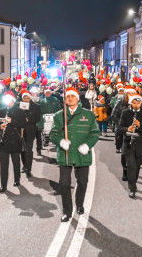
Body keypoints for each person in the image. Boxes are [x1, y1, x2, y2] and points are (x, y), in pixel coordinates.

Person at [50, 87, 100, 222]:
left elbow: (95, 133)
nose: (70, 98)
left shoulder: (88, 115)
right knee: (64, 184)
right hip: (65, 155)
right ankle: (67, 211)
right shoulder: (59, 115)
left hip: (82, 155)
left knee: (82, 182)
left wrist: (87, 145)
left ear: (78, 98)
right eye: (68, 96)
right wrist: (60, 141)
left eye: (73, 96)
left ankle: (79, 204)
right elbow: (53, 134)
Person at [118, 94, 142, 198]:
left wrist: (140, 126)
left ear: (141, 103)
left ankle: (134, 182)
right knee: (131, 166)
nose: (136, 105)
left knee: (137, 166)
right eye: (134, 103)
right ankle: (132, 187)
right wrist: (126, 129)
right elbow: (119, 128)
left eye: (138, 103)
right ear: (130, 103)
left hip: (140, 144)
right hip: (128, 144)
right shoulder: (125, 112)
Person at [0, 91, 27, 193]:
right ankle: (3, 185)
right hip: (4, 141)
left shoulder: (19, 111)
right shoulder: (1, 110)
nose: (8, 102)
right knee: (3, 165)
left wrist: (12, 122)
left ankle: (17, 179)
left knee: (16, 162)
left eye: (9, 100)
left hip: (15, 140)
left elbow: (23, 124)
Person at [19, 89, 41, 178]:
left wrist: (29, 120)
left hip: (30, 130)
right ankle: (24, 165)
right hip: (21, 130)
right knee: (22, 150)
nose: (26, 99)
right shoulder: (19, 106)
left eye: (27, 98)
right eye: (24, 98)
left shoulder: (36, 106)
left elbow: (38, 118)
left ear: (30, 98)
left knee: (28, 150)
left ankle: (29, 169)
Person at [37, 87, 61, 155]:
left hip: (53, 116)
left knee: (54, 129)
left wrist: (57, 115)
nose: (47, 94)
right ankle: (46, 141)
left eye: (48, 93)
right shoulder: (42, 101)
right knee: (45, 130)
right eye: (46, 93)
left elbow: (58, 108)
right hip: (45, 117)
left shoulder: (55, 100)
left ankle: (55, 141)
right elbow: (40, 109)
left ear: (50, 93)